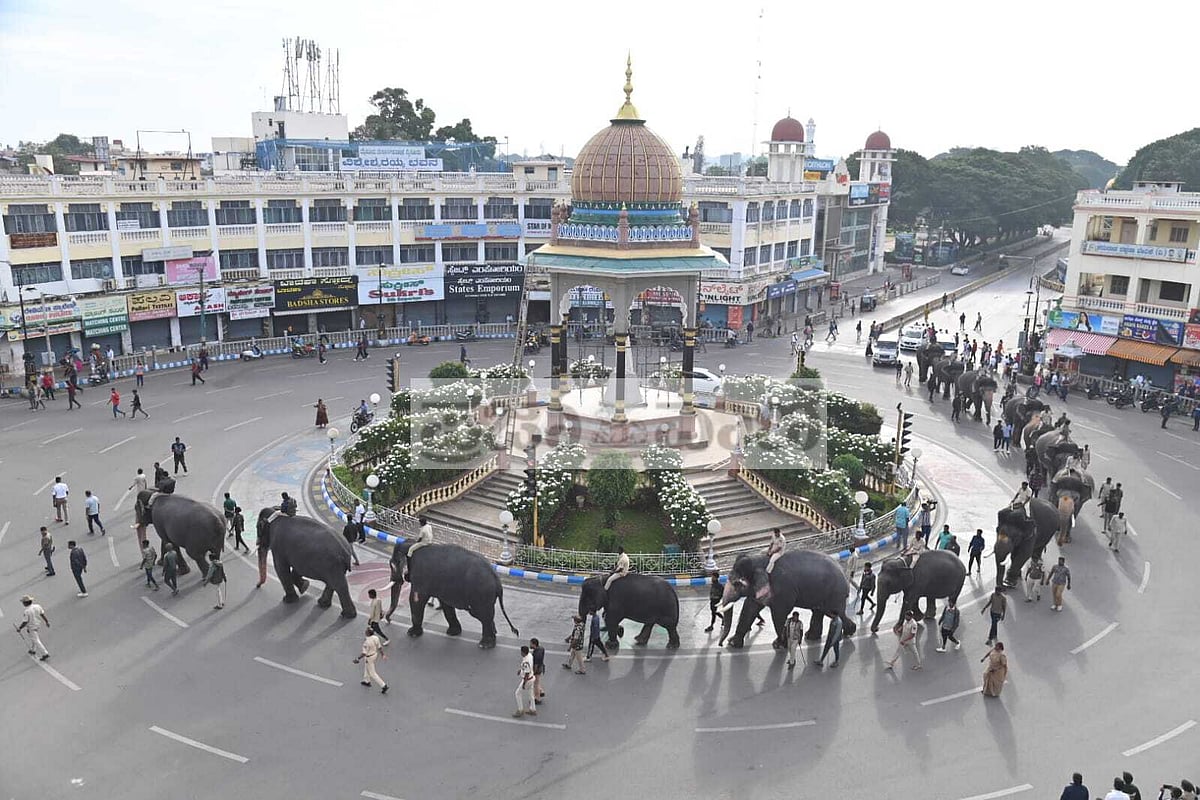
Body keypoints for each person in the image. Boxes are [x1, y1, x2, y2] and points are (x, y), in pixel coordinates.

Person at [354, 626, 388, 694]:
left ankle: (383, 685)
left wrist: (358, 658)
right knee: (367, 667)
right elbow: (379, 647)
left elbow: (364, 653)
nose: (365, 631)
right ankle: (366, 680)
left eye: (366, 631)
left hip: (369, 657)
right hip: (374, 654)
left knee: (372, 673)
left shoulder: (367, 642)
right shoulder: (376, 638)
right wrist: (383, 655)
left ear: (368, 633)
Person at [17, 596, 51, 660]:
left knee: (36, 640)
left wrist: (20, 628)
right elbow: (42, 614)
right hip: (37, 625)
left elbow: (25, 621)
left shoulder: (27, 611)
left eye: (23, 602)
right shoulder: (37, 606)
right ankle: (33, 650)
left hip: (32, 627)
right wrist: (47, 621)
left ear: (26, 603)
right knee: (33, 638)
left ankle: (45, 653)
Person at [513, 645, 535, 717]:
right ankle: (532, 709)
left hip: (527, 679)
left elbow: (527, 673)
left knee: (517, 693)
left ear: (523, 652)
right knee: (531, 694)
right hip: (532, 677)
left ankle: (520, 710)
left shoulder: (526, 661)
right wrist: (521, 669)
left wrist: (524, 683)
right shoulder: (530, 656)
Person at [529, 638, 546, 704]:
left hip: (537, 669)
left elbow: (536, 664)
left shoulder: (536, 653)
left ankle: (537, 698)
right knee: (537, 681)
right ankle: (541, 691)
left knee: (535, 683)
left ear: (534, 644)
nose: (529, 645)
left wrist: (533, 672)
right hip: (541, 667)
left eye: (530, 643)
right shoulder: (541, 649)